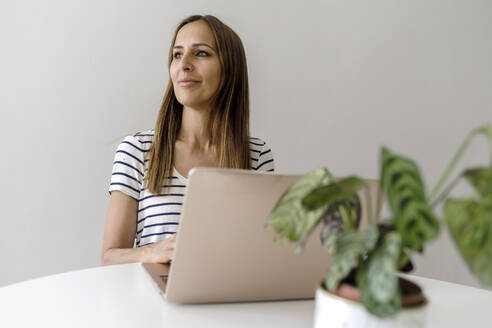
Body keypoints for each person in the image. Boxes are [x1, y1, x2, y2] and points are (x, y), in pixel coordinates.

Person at [101, 15, 275, 266]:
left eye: (201, 53)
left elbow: (261, 254)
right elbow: (109, 257)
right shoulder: (138, 150)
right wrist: (152, 252)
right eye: (177, 55)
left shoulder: (257, 155)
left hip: (227, 301)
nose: (184, 64)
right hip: (151, 302)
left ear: (230, 67)